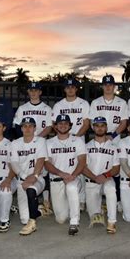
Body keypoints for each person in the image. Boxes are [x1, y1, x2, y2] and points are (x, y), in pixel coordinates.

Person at [90, 74, 128, 211]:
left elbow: (124, 122)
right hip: (99, 136)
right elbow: (92, 122)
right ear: (102, 86)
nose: (108, 87)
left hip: (114, 137)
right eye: (105, 84)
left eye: (110, 84)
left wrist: (112, 135)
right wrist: (101, 134)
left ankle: (116, 199)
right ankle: (99, 198)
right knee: (98, 165)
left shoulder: (121, 102)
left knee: (115, 168)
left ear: (114, 86)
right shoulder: (95, 103)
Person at [52, 78, 90, 213]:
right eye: (68, 87)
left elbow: (86, 124)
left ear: (76, 89)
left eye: (73, 87)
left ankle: (82, 200)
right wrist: (64, 136)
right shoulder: (58, 105)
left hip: (78, 137)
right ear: (64, 89)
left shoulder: (83, 103)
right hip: (63, 138)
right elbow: (54, 124)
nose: (70, 89)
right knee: (66, 167)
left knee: (81, 168)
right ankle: (68, 196)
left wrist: (76, 138)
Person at [45, 115, 87, 236]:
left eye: (65, 123)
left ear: (70, 126)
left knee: (71, 187)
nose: (63, 125)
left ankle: (74, 222)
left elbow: (82, 161)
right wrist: (61, 174)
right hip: (56, 180)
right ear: (55, 126)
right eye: (60, 123)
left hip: (73, 178)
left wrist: (72, 176)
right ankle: (72, 204)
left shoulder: (77, 140)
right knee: (60, 219)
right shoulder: (49, 143)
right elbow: (47, 164)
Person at [10, 117, 47, 235]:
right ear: (21, 128)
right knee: (23, 219)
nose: (27, 128)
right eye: (24, 126)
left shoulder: (40, 141)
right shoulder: (15, 143)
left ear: (34, 128)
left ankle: (32, 223)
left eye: (30, 126)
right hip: (22, 180)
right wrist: (25, 176)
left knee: (31, 190)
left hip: (38, 178)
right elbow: (14, 163)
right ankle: (40, 210)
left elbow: (41, 160)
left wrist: (34, 176)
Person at [83, 116, 120, 234]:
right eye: (97, 126)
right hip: (91, 182)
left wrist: (105, 175)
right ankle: (101, 208)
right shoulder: (86, 146)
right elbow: (83, 167)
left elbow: (116, 168)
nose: (100, 128)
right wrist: (94, 177)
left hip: (106, 179)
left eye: (102, 126)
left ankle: (112, 221)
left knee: (111, 188)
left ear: (106, 128)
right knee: (95, 218)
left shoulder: (113, 147)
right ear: (93, 128)